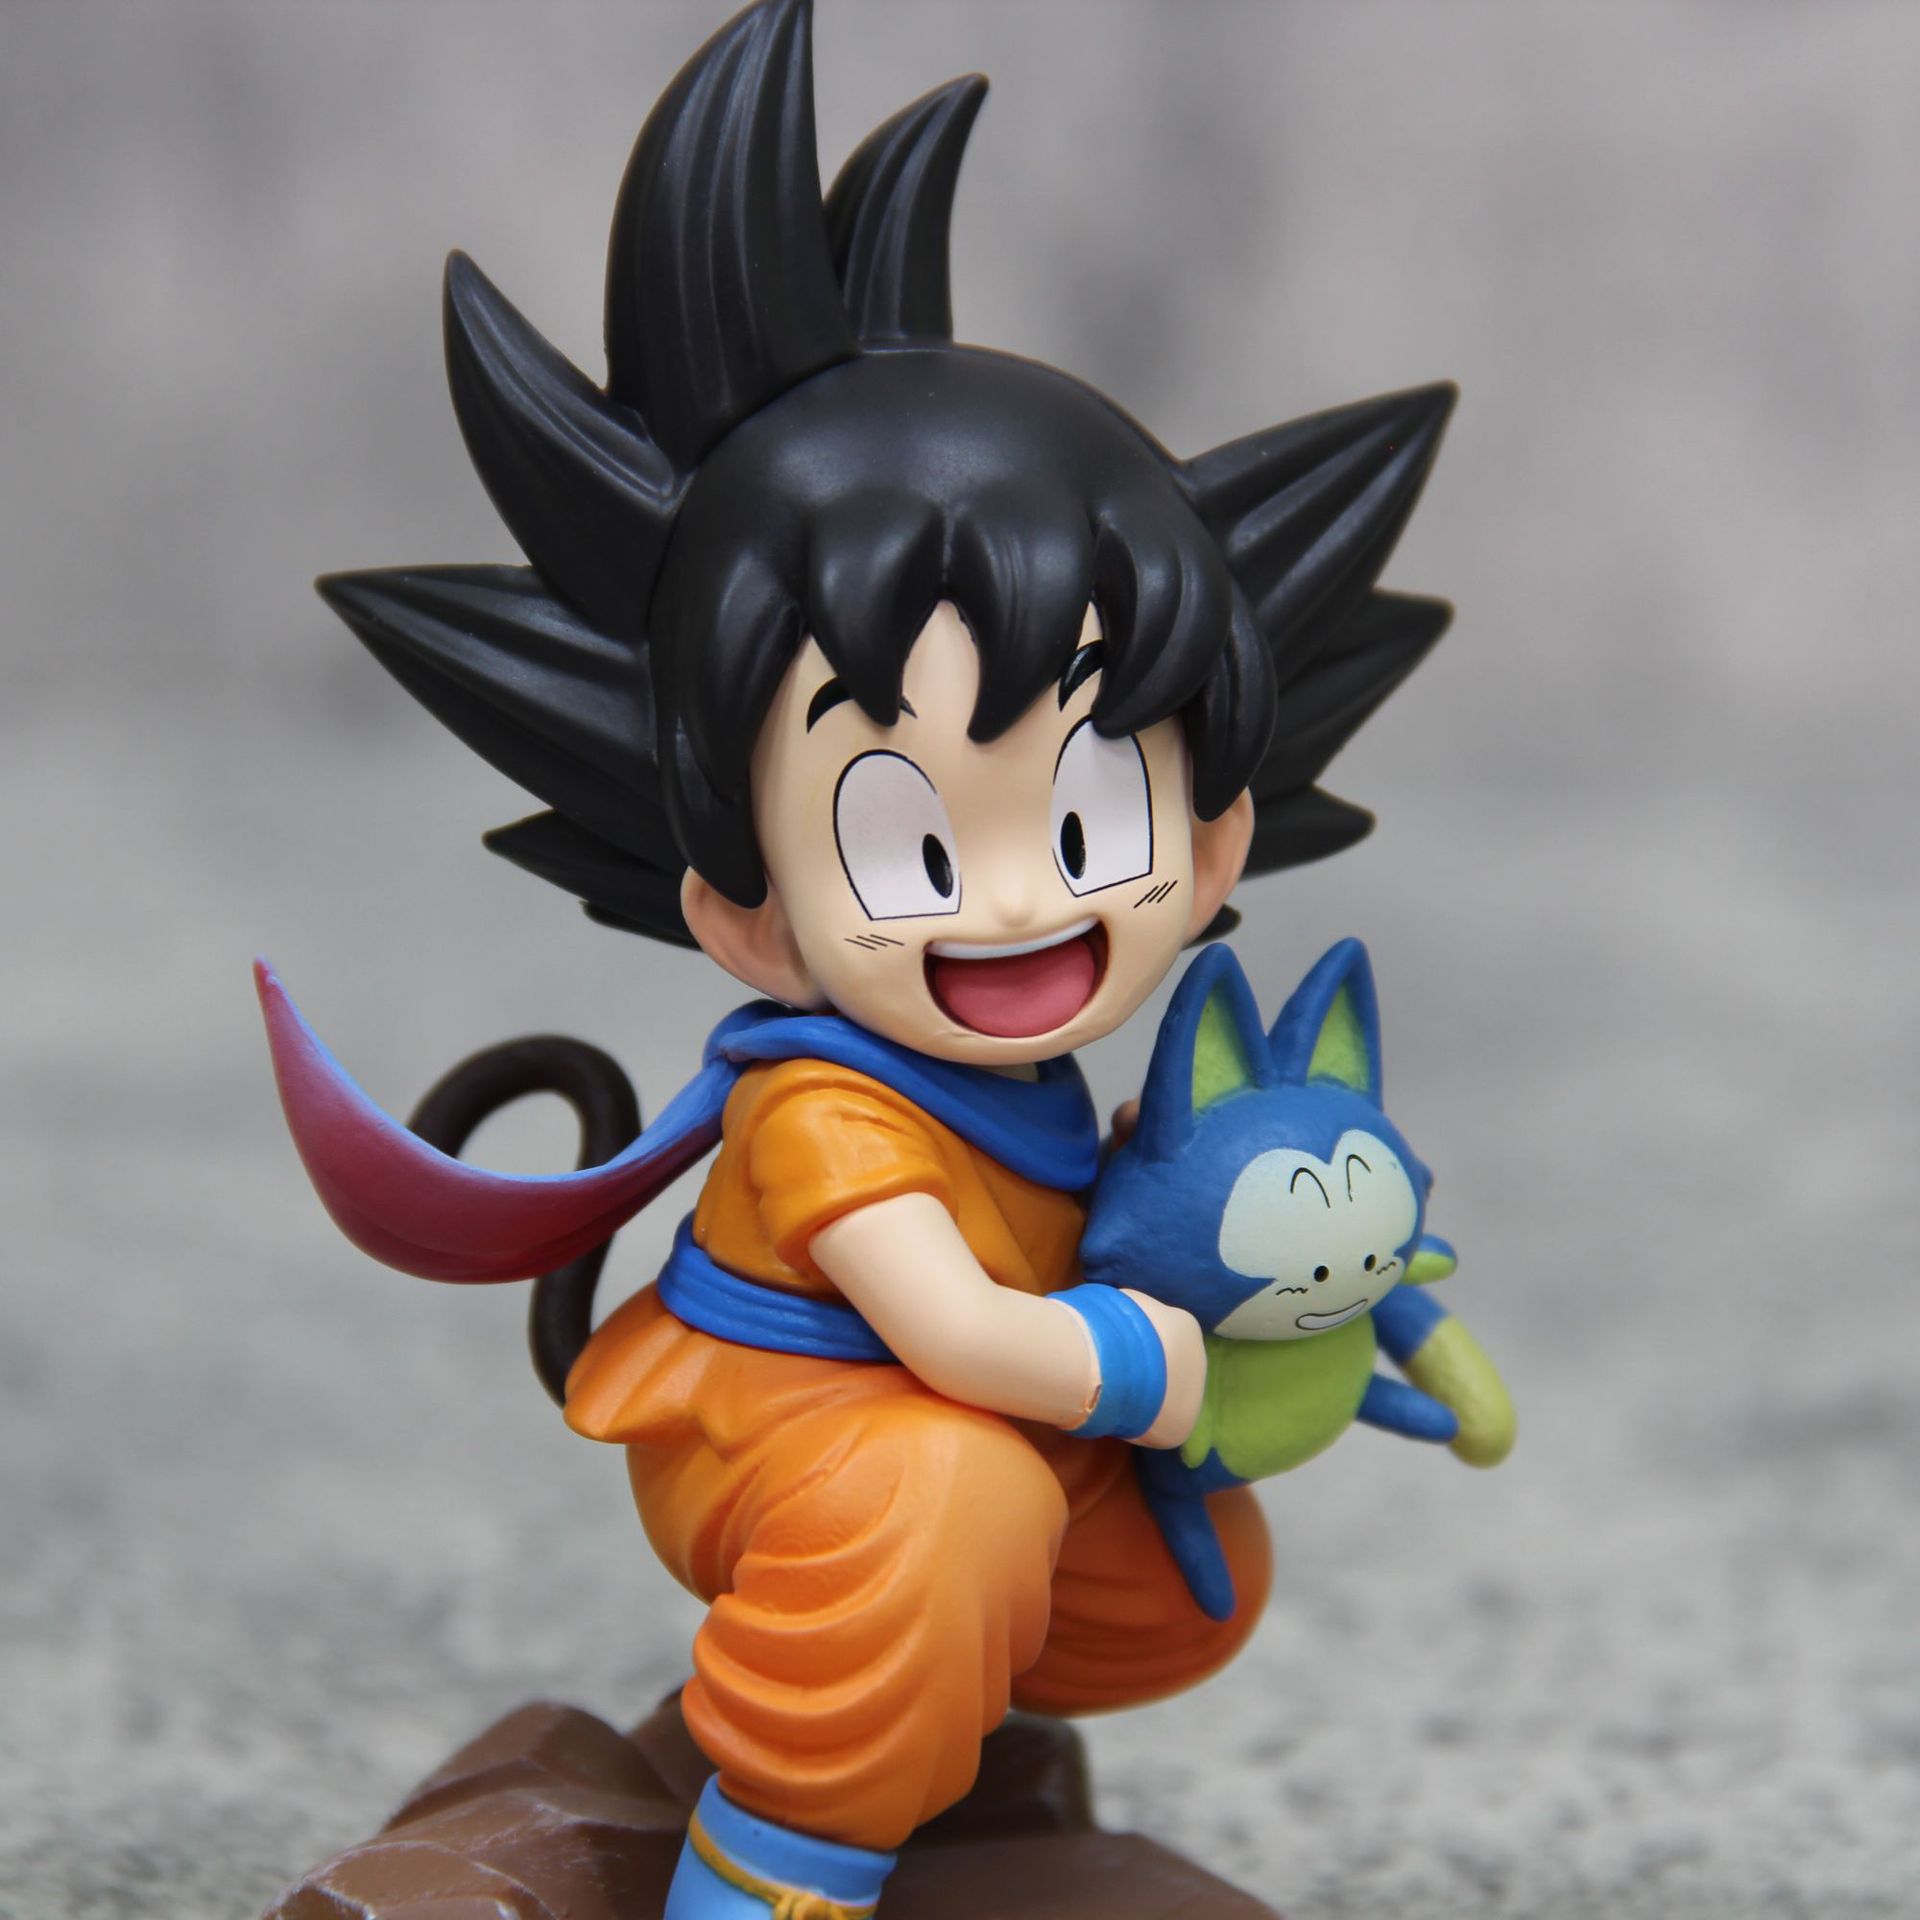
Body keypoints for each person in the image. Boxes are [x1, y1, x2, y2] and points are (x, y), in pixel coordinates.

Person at [261, 3, 1457, 1912]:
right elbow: (959, 1333)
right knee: (946, 1496)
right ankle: (772, 1866)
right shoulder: (828, 1107)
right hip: (785, 1428)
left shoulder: (1038, 1080)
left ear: (1216, 844)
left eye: (1090, 824)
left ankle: (884, 1736)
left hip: (964, 1439)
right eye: (907, 844)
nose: (1015, 906)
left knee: (1179, 1573)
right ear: (743, 912)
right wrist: (1156, 1366)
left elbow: (1078, 1278)